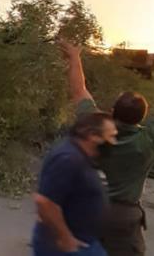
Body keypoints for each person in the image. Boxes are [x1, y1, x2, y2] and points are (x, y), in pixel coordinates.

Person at [59, 41, 154, 256]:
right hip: (123, 217)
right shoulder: (148, 140)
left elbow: (79, 90)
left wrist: (74, 58)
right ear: (142, 118)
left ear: (111, 111)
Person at [32, 107, 118, 256]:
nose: (114, 142)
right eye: (111, 136)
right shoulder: (68, 159)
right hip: (68, 246)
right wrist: (65, 238)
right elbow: (45, 202)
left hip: (86, 242)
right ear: (93, 136)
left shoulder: (82, 156)